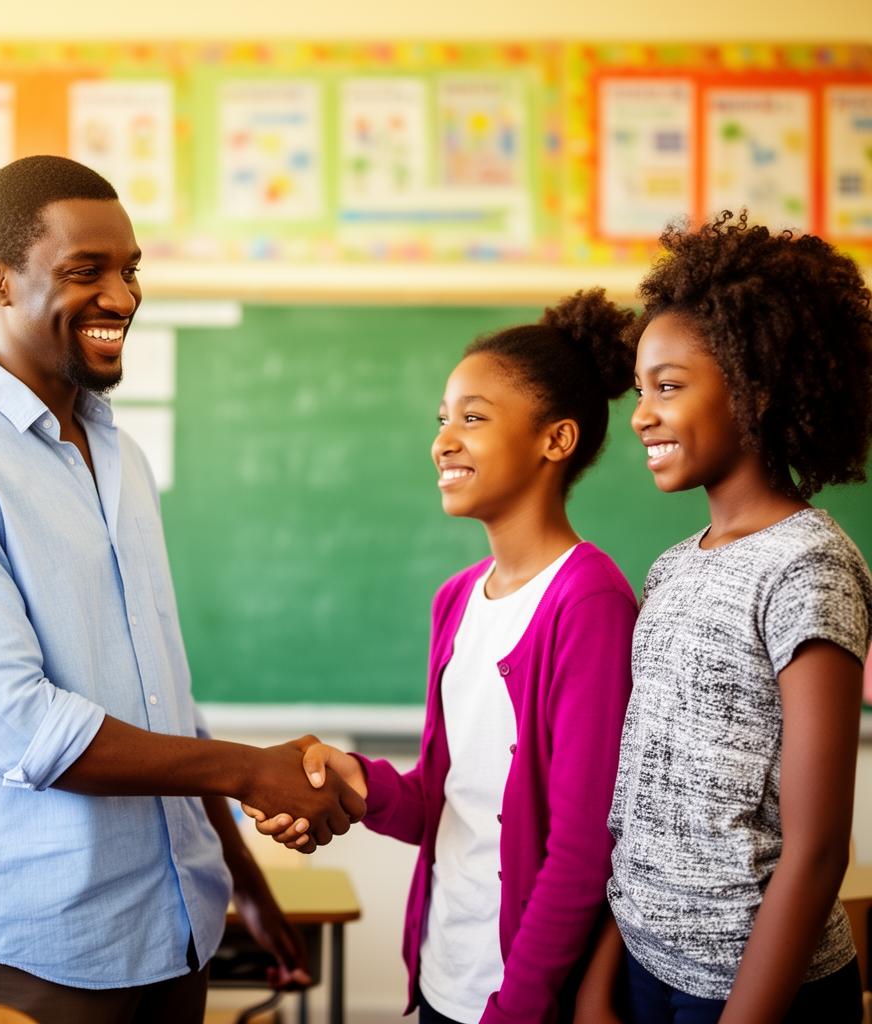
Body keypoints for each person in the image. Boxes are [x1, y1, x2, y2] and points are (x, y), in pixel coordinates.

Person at [0, 154, 364, 1024]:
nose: (122, 297)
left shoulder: (118, 456)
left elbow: (165, 706)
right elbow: (23, 728)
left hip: (172, 932)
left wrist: (241, 887)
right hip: (35, 953)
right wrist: (252, 773)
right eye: (85, 271)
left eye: (130, 270)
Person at [249, 292, 640, 1023]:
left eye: (473, 417)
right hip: (443, 977)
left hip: (521, 999)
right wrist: (352, 778)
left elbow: (584, 850)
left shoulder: (589, 603)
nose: (443, 441)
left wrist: (516, 1007)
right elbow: (440, 800)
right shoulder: (457, 601)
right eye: (442, 419)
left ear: (555, 440)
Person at [603, 211, 872, 1023]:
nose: (641, 414)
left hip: (755, 989)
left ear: (756, 386)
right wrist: (600, 976)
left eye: (669, 386)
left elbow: (820, 848)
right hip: (645, 967)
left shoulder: (808, 564)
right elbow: (641, 802)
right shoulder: (673, 565)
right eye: (640, 388)